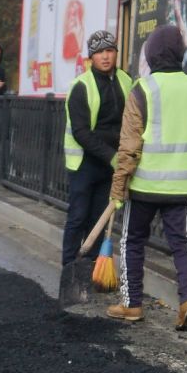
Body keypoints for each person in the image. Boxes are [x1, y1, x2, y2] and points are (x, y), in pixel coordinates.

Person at [105, 25, 187, 330]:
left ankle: (131, 304)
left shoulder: (142, 89)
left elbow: (128, 145)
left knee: (132, 241)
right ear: (180, 53)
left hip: (145, 185)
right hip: (183, 186)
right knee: (184, 244)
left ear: (151, 54)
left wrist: (118, 190)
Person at [60, 30, 132, 300]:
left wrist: (121, 156)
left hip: (110, 164)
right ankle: (69, 271)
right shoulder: (82, 86)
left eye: (110, 50)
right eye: (100, 52)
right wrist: (110, 155)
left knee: (97, 221)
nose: (105, 56)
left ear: (115, 53)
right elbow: (81, 132)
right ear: (91, 57)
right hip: (84, 163)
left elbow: (131, 122)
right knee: (78, 217)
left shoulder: (126, 81)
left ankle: (89, 273)